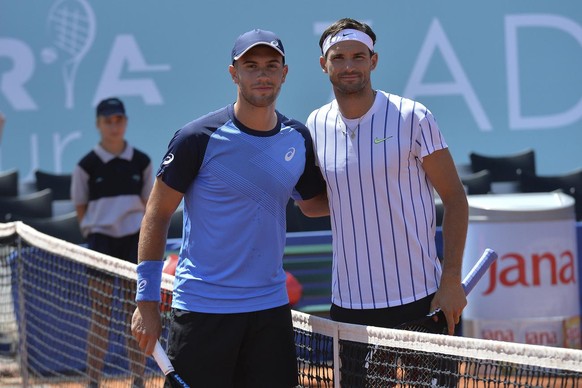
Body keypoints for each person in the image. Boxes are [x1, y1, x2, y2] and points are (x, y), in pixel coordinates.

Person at [131, 29, 327, 388]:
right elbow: (156, 216)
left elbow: (316, 205)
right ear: (234, 74)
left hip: (270, 311)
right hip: (204, 311)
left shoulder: (297, 138)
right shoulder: (197, 138)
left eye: (271, 65)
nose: (262, 74)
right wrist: (146, 301)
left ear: (285, 73)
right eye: (251, 66)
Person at [305, 18, 469, 385]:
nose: (349, 66)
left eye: (358, 57)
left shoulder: (414, 117)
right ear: (324, 64)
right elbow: (316, 204)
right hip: (350, 309)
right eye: (339, 57)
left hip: (423, 300)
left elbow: (455, 198)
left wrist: (452, 280)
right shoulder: (314, 124)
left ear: (373, 61)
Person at [71, 97, 153, 388]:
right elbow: (80, 205)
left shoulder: (142, 161)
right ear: (98, 124)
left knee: (136, 311)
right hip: (101, 243)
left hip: (134, 242)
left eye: (118, 119)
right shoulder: (86, 165)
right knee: (100, 313)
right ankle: (93, 380)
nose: (114, 125)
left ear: (125, 122)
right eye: (108, 120)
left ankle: (139, 379)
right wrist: (93, 231)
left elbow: (149, 204)